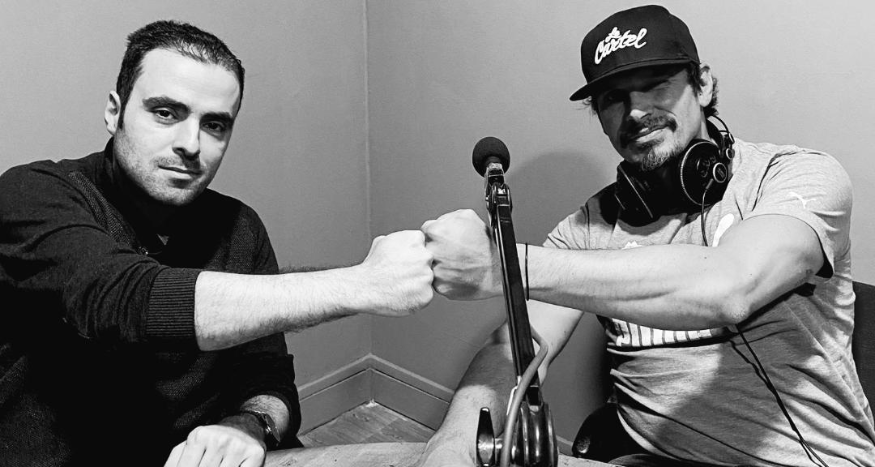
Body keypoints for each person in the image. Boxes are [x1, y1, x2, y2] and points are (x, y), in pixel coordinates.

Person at [419, 5, 874, 466]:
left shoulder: (796, 176)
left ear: (703, 84)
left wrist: (506, 265)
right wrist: (452, 442)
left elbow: (731, 286)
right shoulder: (588, 229)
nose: (636, 111)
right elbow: (513, 347)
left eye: (657, 84)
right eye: (613, 98)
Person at [0, 20, 434, 467]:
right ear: (115, 112)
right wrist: (363, 283)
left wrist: (248, 425)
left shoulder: (240, 227)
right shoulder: (33, 194)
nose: (191, 144)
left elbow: (269, 377)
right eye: (165, 113)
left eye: (214, 124)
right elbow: (124, 301)